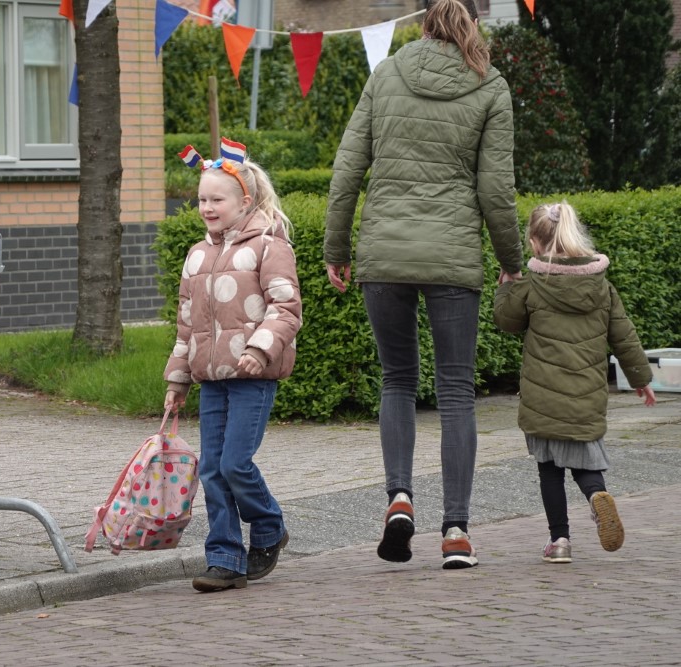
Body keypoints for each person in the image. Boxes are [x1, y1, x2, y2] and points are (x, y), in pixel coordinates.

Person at [323, 0, 524, 569]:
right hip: (454, 256)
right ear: (475, 23)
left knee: (397, 381)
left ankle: (399, 498)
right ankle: (456, 532)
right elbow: (496, 190)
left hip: (383, 254)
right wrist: (510, 259)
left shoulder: (385, 73)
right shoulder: (492, 86)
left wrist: (336, 248)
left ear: (423, 20)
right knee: (457, 392)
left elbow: (346, 171)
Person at [165, 146, 302, 592]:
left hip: (252, 378)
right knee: (210, 469)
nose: (206, 208)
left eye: (217, 200)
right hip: (211, 380)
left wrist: (260, 351)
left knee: (235, 463)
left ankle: (268, 523)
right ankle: (223, 557)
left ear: (245, 202)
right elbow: (187, 324)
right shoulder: (196, 257)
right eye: (202, 199)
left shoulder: (270, 246)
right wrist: (178, 379)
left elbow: (286, 308)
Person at [494, 201, 656, 563]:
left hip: (542, 398)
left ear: (535, 242)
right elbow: (624, 336)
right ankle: (597, 497)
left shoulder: (533, 284)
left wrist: (507, 286)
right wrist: (641, 379)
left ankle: (560, 541)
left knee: (548, 470)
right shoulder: (602, 286)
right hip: (585, 396)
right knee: (585, 465)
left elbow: (507, 321)